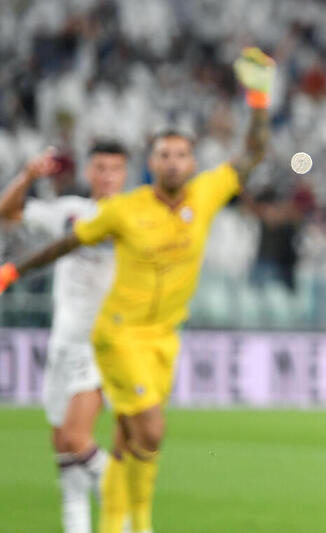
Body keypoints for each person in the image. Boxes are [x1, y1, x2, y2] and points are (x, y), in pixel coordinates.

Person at [0, 47, 275, 533]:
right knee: (150, 427)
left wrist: (257, 96)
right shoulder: (123, 210)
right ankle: (142, 523)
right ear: (152, 163)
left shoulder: (207, 194)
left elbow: (253, 154)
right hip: (119, 334)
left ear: (192, 161)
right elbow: (66, 243)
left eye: (181, 154)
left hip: (164, 337)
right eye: (164, 154)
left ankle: (112, 525)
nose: (173, 161)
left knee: (129, 439)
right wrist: (12, 272)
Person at [0, 141, 127, 533]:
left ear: (124, 174)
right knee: (62, 450)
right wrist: (28, 176)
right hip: (63, 340)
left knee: (76, 438)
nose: (106, 175)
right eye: (100, 167)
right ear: (89, 172)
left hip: (102, 342)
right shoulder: (69, 212)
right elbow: (8, 213)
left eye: (114, 168)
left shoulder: (133, 217)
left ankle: (128, 517)